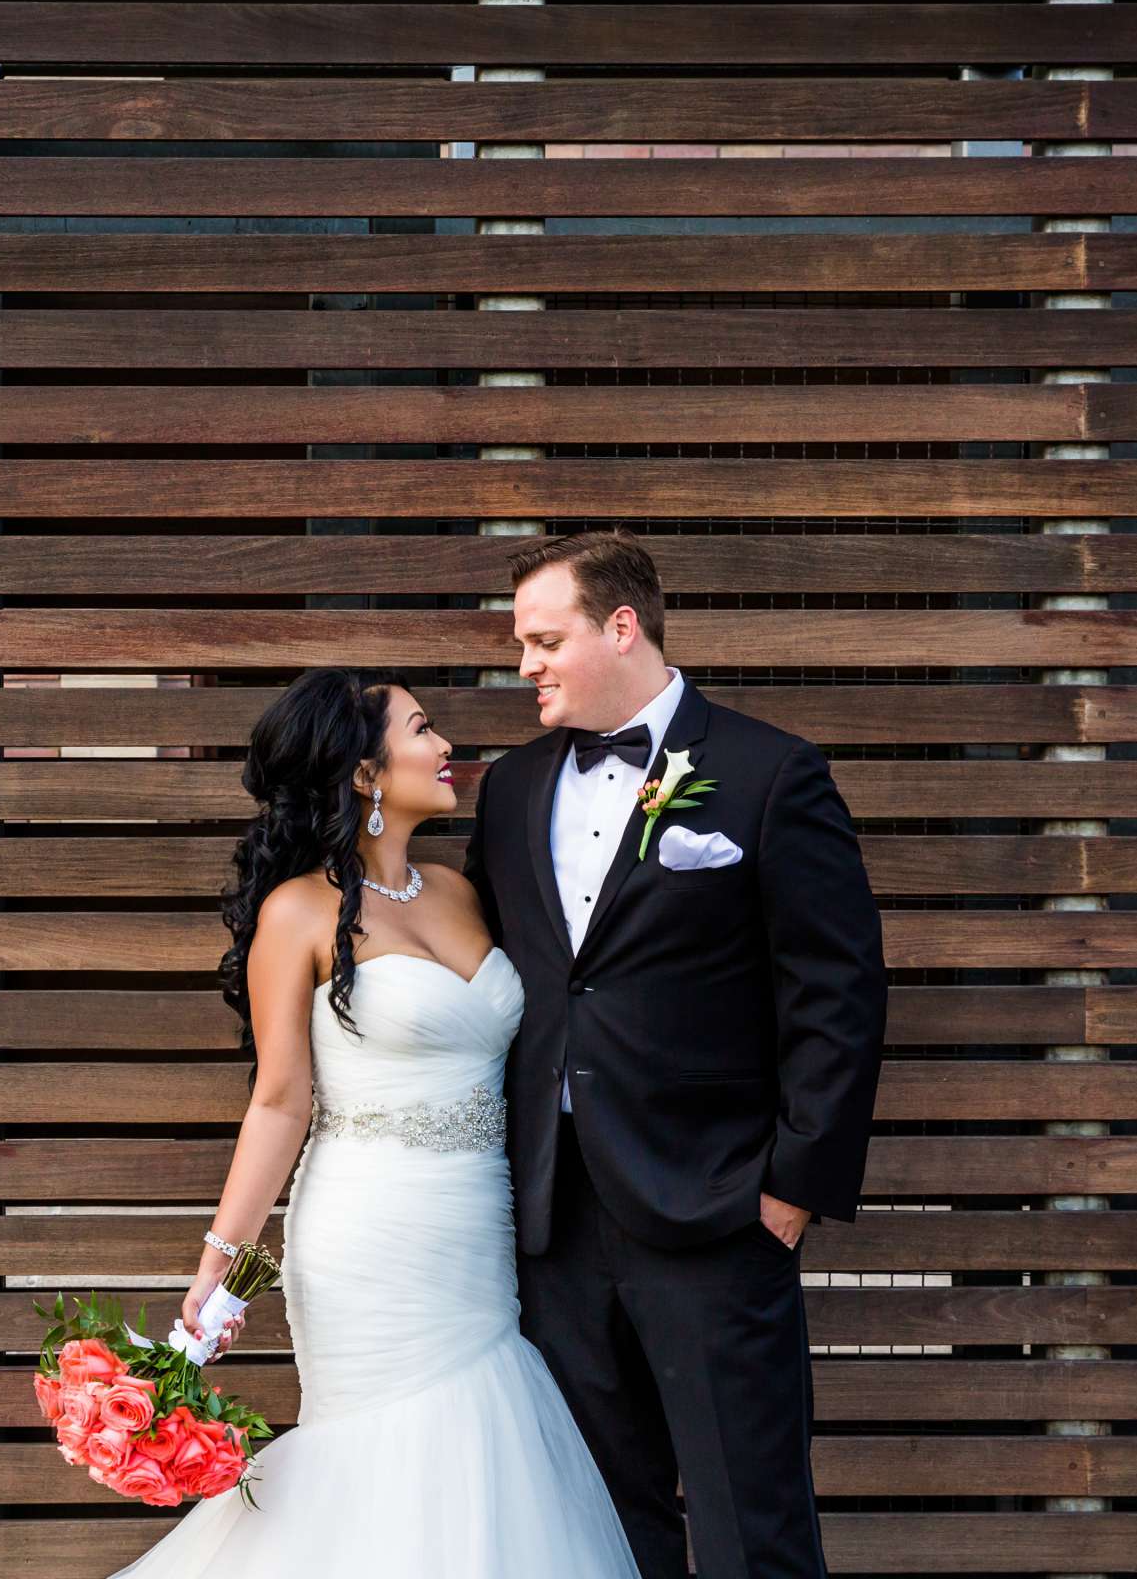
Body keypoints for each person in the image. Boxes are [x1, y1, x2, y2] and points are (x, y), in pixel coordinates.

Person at [106, 667, 641, 1577]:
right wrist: (218, 1263)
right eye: (423, 730)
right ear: (364, 773)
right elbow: (279, 1100)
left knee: (481, 1449)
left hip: (479, 1225)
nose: (445, 750)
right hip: (368, 1232)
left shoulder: (463, 893)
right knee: (382, 1452)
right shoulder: (297, 911)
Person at [464, 528, 888, 1579]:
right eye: (521, 644)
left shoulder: (767, 771)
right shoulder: (511, 790)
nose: (525, 665)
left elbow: (837, 990)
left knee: (754, 1524)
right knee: (600, 1525)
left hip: (714, 1210)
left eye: (543, 639)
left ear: (622, 626)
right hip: (553, 1222)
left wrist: (791, 1186)